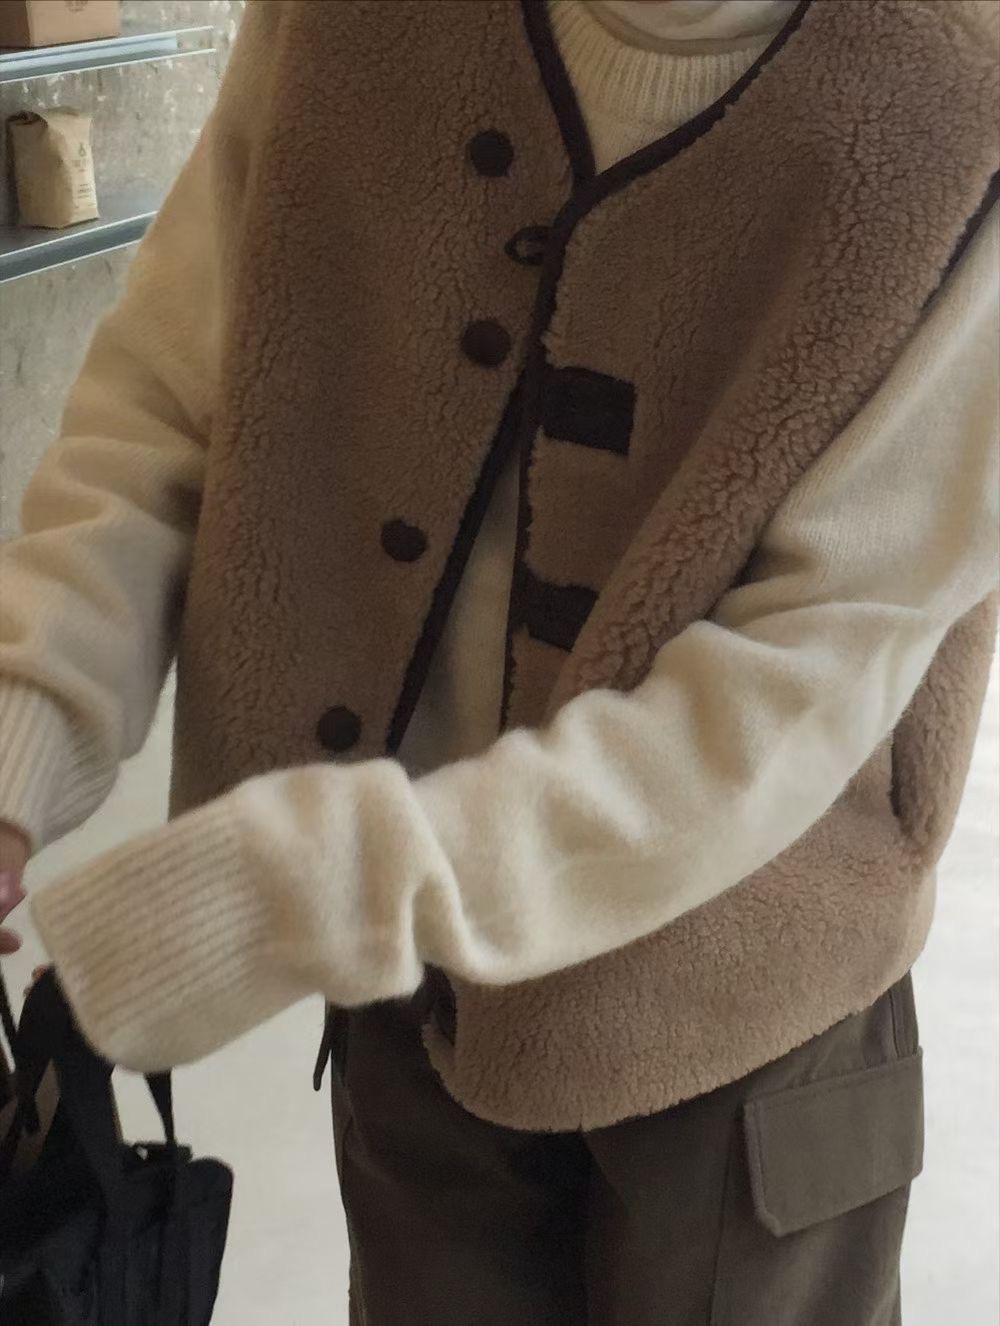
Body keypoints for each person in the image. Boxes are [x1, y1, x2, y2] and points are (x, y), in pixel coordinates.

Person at [1, 0, 997, 1320]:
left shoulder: (962, 96)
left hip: (747, 1006)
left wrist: (313, 887)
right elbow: (168, 407)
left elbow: (810, 666)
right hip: (411, 1007)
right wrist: (22, 732)